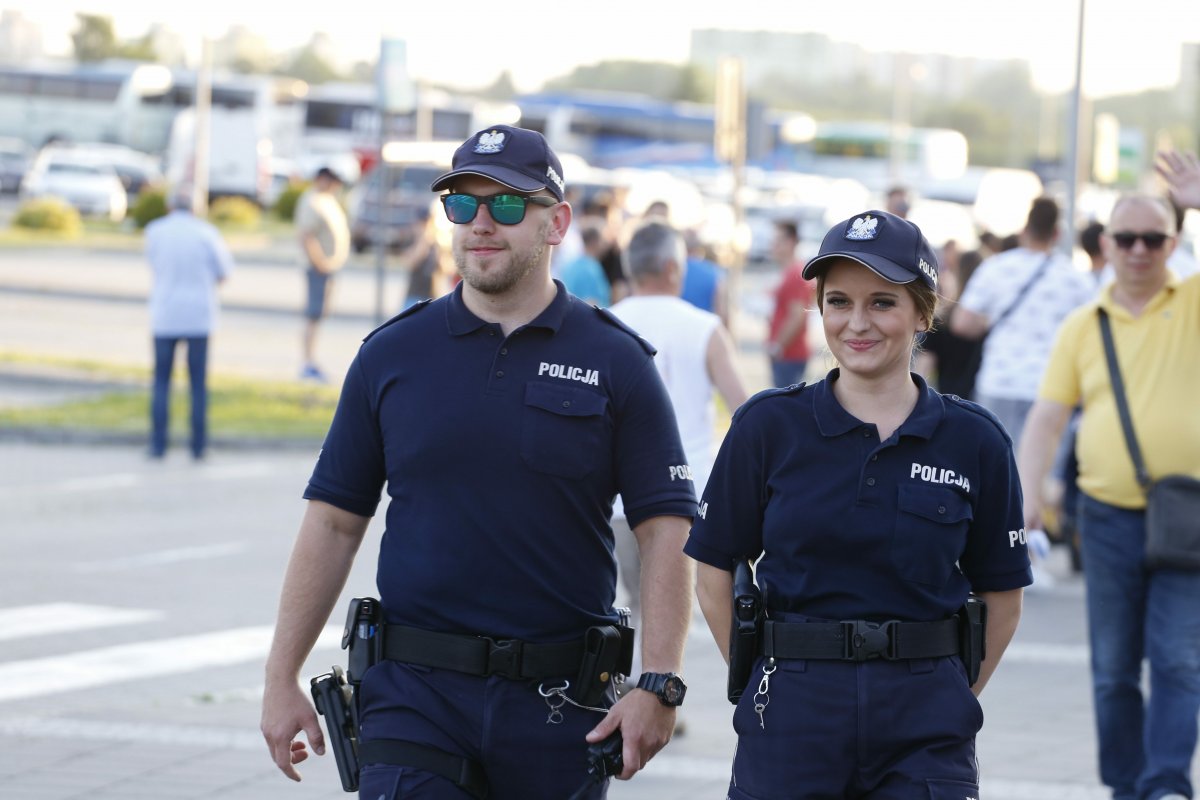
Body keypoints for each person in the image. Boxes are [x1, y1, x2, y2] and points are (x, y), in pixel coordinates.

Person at [260, 124, 696, 799]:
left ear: (557, 222)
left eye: (508, 205)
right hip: (413, 695)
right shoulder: (392, 356)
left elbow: (666, 529)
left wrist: (660, 682)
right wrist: (280, 674)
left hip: (560, 706)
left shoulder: (617, 363)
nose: (481, 223)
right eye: (463, 204)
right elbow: (334, 522)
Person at [686, 209, 1029, 799]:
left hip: (925, 722)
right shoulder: (768, 425)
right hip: (792, 710)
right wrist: (765, 677)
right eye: (839, 301)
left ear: (923, 313)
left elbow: (1003, 595)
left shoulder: (976, 440)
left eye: (882, 302)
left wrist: (946, 691)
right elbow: (713, 570)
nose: (857, 323)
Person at [1017, 188, 1200, 800]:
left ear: (1173, 243)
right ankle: (1128, 787)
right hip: (1106, 517)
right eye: (1127, 239)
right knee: (1113, 668)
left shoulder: (1195, 300)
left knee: (1178, 657)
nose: (1140, 250)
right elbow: (1047, 417)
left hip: (1186, 516)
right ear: (1105, 245)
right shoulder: (1083, 326)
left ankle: (1167, 782)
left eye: (1155, 238)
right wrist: (1026, 499)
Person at [608, 220, 749, 676]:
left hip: (613, 499)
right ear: (672, 267)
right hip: (685, 496)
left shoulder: (606, 323)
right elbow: (746, 413)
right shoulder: (704, 328)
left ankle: (623, 687)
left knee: (623, 599)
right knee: (664, 605)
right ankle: (655, 690)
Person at [950, 196, 1094, 444]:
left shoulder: (996, 267)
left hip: (998, 382)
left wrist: (989, 322)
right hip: (1052, 387)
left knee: (993, 472)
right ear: (1056, 233)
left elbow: (962, 323)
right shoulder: (1075, 278)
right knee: (1039, 474)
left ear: (1024, 231)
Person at [144, 188, 233, 461]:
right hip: (198, 315)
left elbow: (153, 263)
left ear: (170, 206)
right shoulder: (206, 233)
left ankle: (158, 445)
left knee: (161, 381)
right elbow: (225, 271)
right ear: (194, 208)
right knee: (197, 384)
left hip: (165, 314)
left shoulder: (155, 231)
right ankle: (198, 445)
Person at [295, 166, 350, 382]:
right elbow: (306, 236)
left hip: (329, 267)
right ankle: (307, 362)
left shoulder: (327, 200)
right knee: (313, 315)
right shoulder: (312, 201)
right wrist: (320, 263)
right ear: (322, 179)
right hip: (318, 268)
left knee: (319, 315)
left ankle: (311, 361)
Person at [766, 220, 815, 387]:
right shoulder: (788, 272)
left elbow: (797, 316)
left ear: (791, 241)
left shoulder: (795, 273)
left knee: (786, 407)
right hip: (786, 354)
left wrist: (778, 346)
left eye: (778, 241)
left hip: (790, 354)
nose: (774, 246)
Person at [680, 228, 730, 328]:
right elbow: (722, 312)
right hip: (704, 332)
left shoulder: (673, 272)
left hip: (678, 329)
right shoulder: (714, 272)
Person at [559, 223, 612, 306]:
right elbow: (591, 303)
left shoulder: (571, 265)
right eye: (602, 239)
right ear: (595, 241)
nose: (604, 244)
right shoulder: (590, 268)